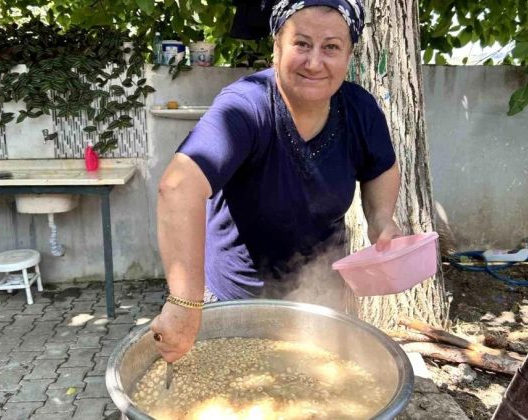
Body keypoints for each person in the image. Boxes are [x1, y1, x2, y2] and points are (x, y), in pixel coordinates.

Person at [151, 0, 403, 363]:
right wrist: (184, 302)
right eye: (301, 44)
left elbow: (381, 167)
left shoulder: (359, 109)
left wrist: (382, 220)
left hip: (321, 296)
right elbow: (178, 187)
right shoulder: (246, 106)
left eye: (331, 47)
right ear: (276, 48)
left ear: (348, 56)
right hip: (235, 301)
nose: (315, 62)